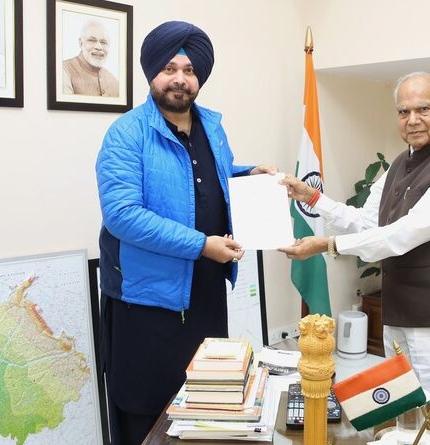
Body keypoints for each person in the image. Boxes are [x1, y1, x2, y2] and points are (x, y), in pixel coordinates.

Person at [95, 20, 276, 443]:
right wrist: (202, 245)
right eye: (170, 68)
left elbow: (206, 177)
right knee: (147, 411)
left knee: (207, 404)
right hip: (146, 301)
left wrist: (250, 173)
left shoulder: (211, 125)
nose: (180, 79)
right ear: (152, 73)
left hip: (206, 294)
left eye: (190, 70)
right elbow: (123, 214)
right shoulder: (126, 133)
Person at [279, 72, 430, 397]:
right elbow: (365, 221)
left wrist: (328, 244)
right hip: (399, 311)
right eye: (404, 112)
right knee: (402, 407)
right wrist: (313, 198)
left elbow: (405, 233)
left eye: (423, 110)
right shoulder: (398, 165)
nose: (413, 120)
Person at [62, 20, 119, 97]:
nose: (99, 47)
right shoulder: (64, 70)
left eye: (103, 42)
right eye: (92, 40)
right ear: (81, 43)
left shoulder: (114, 81)